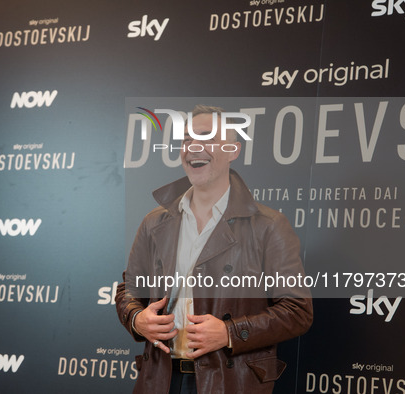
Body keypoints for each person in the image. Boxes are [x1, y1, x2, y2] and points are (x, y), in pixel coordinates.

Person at [116, 105, 313, 393]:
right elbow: (129, 290)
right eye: (186, 140)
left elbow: (297, 311)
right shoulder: (154, 222)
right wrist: (137, 318)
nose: (194, 147)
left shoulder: (268, 225)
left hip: (229, 382)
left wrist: (229, 333)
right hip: (160, 379)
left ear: (234, 149)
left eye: (207, 138)